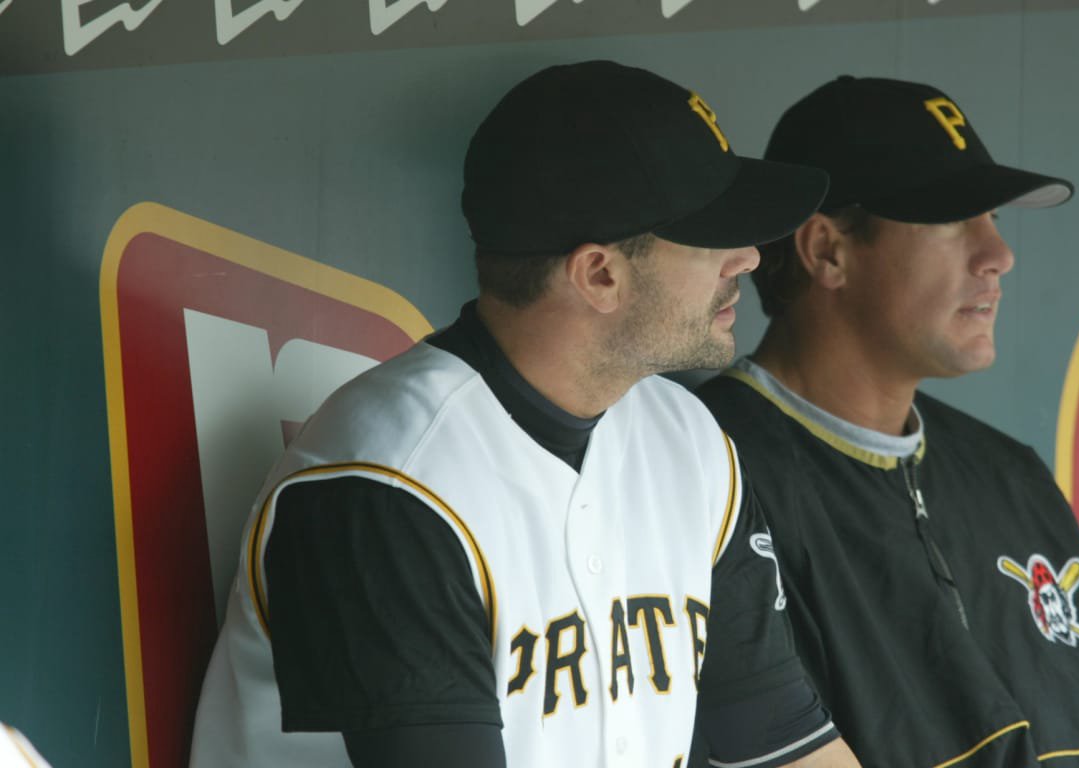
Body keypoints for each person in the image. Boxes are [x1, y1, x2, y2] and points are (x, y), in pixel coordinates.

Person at [190, 60, 861, 768]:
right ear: (599, 273)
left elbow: (786, 745)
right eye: (712, 236)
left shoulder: (687, 442)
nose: (749, 258)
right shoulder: (386, 484)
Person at [696, 76, 1079, 767]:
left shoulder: (1009, 477)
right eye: (950, 219)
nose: (998, 255)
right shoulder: (707, 474)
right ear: (827, 251)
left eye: (993, 218)